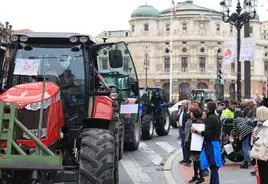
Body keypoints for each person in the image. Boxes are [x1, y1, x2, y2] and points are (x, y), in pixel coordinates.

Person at [192, 101, 223, 184]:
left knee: (213, 166)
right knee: (214, 166)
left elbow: (207, 134)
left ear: (209, 108)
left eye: (206, 107)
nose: (205, 109)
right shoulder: (216, 117)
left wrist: (196, 131)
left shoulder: (211, 118)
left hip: (211, 144)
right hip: (215, 143)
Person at [187, 106, 205, 184]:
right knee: (195, 161)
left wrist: (194, 131)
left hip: (198, 144)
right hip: (194, 144)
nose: (190, 114)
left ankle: (201, 178)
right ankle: (195, 176)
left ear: (194, 114)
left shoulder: (199, 122)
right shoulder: (195, 120)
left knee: (198, 161)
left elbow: (202, 134)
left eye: (191, 113)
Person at [251, 106, 268, 184]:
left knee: (264, 176)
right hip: (261, 154)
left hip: (264, 155)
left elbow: (264, 142)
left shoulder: (263, 126)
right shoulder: (258, 126)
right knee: (262, 176)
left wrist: (256, 140)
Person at [178, 100, 191, 166]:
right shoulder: (181, 110)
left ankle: (188, 160)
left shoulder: (188, 112)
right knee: (183, 145)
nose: (181, 105)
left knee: (186, 145)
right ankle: (184, 159)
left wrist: (185, 130)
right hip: (181, 128)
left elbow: (188, 121)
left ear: (186, 105)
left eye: (183, 104)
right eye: (181, 103)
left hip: (184, 130)